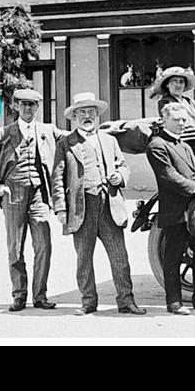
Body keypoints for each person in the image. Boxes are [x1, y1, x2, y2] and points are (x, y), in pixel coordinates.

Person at [52, 92, 146, 316]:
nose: (87, 116)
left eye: (91, 112)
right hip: (81, 206)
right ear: (74, 117)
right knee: (84, 258)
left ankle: (126, 301)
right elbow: (57, 178)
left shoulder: (109, 140)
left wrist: (120, 177)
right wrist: (60, 209)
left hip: (109, 204)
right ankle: (88, 302)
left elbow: (123, 166)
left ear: (97, 116)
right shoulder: (66, 144)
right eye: (82, 112)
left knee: (119, 257)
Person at [0, 86, 70, 312]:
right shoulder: (3, 134)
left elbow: (73, 138)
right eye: (24, 104)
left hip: (39, 195)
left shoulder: (48, 130)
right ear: (16, 107)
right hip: (13, 195)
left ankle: (40, 295)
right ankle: (19, 295)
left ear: (38, 107)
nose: (28, 109)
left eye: (32, 105)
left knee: (44, 245)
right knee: (15, 247)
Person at [146, 102, 195, 315]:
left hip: (194, 209)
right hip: (175, 210)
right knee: (173, 255)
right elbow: (167, 175)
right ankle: (174, 302)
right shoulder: (157, 145)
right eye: (177, 120)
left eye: (184, 120)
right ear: (164, 121)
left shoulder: (184, 145)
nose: (182, 124)